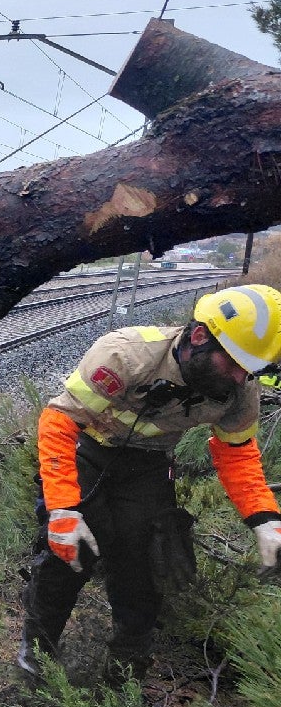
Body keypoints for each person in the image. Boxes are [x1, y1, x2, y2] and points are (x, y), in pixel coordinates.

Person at [19, 284, 281, 685]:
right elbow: (59, 422)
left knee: (146, 563)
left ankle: (125, 668)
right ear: (198, 337)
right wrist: (62, 509)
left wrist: (264, 517)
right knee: (71, 553)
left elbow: (237, 452)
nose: (240, 377)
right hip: (87, 450)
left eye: (250, 369)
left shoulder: (238, 390)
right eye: (234, 364)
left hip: (147, 464)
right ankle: (35, 654)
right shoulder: (126, 354)